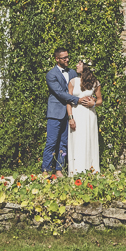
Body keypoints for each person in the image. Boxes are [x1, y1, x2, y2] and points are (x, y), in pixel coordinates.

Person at [44, 47, 92, 177]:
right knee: (51, 142)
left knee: (64, 142)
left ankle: (59, 170)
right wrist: (77, 100)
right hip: (55, 112)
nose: (67, 59)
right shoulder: (51, 74)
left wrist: (90, 97)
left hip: (70, 113)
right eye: (64, 58)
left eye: (67, 57)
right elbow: (60, 93)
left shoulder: (72, 72)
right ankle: (46, 170)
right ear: (57, 59)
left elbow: (80, 87)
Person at [67, 60, 102, 174]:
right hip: (76, 114)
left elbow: (100, 100)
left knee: (89, 140)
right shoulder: (73, 81)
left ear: (86, 67)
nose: (76, 65)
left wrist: (94, 104)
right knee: (77, 141)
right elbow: (68, 101)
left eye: (79, 64)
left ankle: (90, 169)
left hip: (89, 115)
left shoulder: (95, 83)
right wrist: (70, 117)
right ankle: (76, 171)